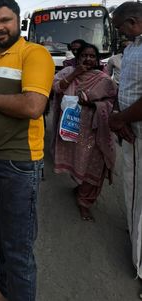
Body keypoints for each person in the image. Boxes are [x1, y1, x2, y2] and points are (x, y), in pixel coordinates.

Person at [0, 0, 55, 301]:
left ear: (18, 21)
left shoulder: (35, 54)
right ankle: (6, 291)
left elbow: (33, 106)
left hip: (19, 165)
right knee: (1, 235)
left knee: (18, 247)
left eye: (5, 20)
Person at [53, 43, 117, 222]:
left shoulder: (104, 79)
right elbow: (56, 88)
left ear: (97, 60)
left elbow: (112, 102)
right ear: (78, 59)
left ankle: (85, 202)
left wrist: (94, 104)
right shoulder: (68, 73)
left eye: (92, 56)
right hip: (73, 128)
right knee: (78, 162)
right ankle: (81, 189)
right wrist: (75, 73)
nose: (88, 59)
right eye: (84, 56)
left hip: (96, 130)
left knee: (95, 166)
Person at [109, 1, 142, 294]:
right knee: (134, 193)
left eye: (120, 27)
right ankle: (136, 237)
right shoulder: (133, 48)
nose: (119, 32)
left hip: (138, 131)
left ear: (133, 21)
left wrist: (120, 118)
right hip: (132, 130)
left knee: (139, 196)